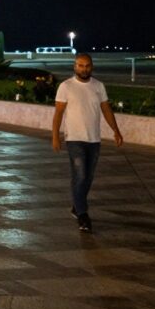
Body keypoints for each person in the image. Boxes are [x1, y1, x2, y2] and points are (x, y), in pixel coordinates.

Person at [52, 53, 124, 233]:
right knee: (81, 175)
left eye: (87, 66)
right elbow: (58, 113)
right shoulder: (66, 86)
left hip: (94, 139)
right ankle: (83, 216)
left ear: (92, 67)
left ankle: (77, 205)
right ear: (74, 66)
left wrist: (116, 130)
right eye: (80, 65)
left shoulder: (98, 86)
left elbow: (106, 109)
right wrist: (55, 136)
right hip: (74, 138)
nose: (84, 69)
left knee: (88, 177)